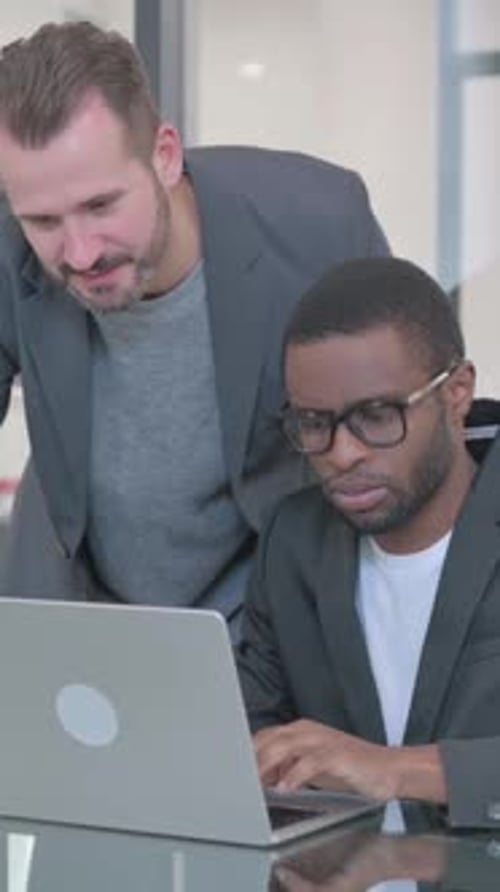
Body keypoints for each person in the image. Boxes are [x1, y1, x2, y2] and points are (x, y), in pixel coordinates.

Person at [0, 21, 388, 633]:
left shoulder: (319, 224)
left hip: (270, 617)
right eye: (43, 220)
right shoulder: (9, 243)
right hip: (77, 615)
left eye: (102, 206)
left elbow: (412, 436)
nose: (78, 253)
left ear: (165, 154)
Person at [236, 256, 500, 827]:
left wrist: (396, 769)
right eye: (314, 423)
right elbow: (245, 731)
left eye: (376, 417)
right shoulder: (294, 539)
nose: (341, 452)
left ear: (456, 393)